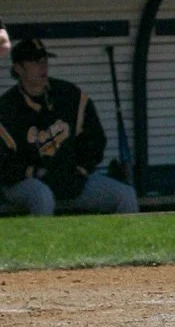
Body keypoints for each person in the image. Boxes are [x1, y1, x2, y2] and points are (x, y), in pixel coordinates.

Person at [0, 37, 138, 216]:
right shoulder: (7, 108)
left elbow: (94, 139)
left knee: (125, 195)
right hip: (24, 183)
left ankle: (126, 244)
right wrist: (36, 172)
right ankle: (43, 244)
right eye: (35, 62)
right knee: (42, 197)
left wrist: (80, 171)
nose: (43, 66)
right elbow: (4, 164)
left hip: (70, 179)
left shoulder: (69, 95)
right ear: (18, 68)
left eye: (45, 60)